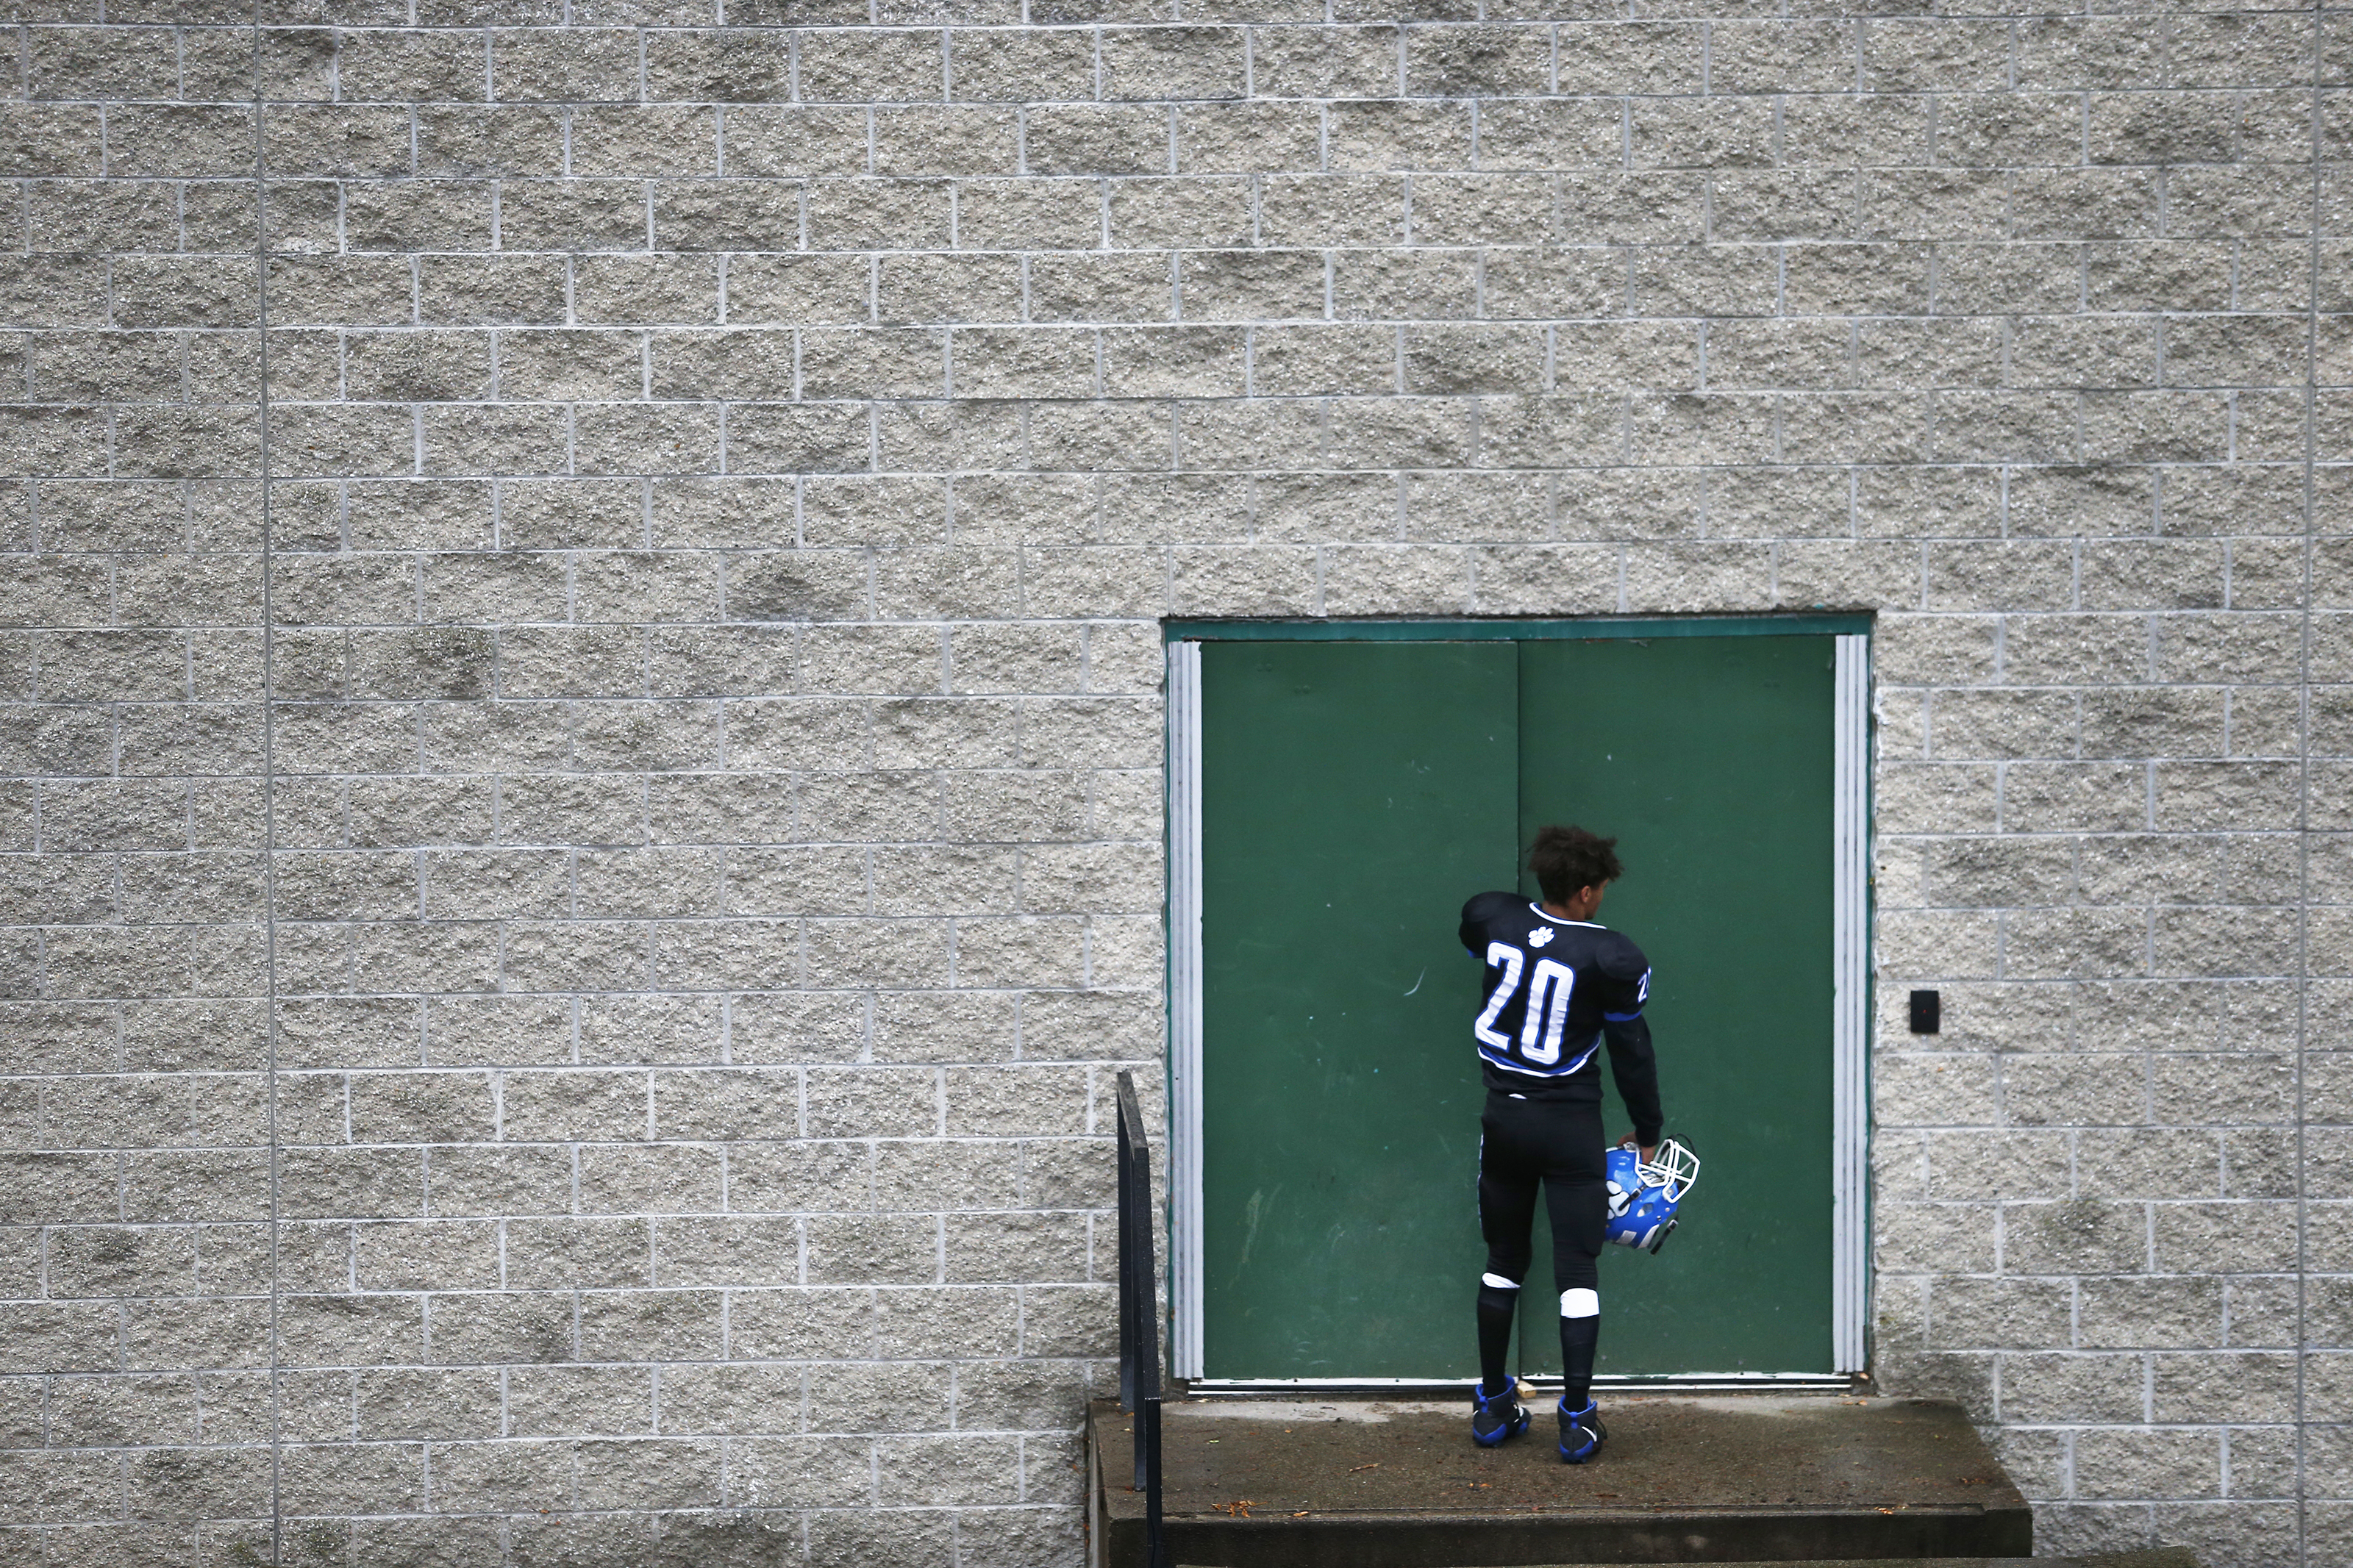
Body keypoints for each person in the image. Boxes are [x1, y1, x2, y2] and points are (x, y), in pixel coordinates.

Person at [1457, 824, 1662, 1464]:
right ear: (1584, 890)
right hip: (1569, 1125)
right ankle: (1575, 1418)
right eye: (1599, 889)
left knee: (1501, 1260)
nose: (1601, 898)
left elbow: (1493, 945)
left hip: (1504, 1120)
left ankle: (1493, 1406)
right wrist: (1648, 1128)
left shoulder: (1492, 915)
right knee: (1577, 1270)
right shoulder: (1613, 955)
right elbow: (1632, 1052)